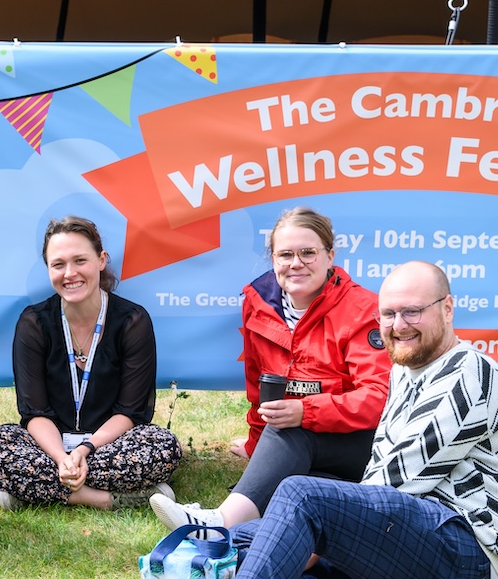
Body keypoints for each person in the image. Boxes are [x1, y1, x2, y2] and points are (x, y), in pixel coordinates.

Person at [114, 261, 498, 579]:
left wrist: (316, 540)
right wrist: (305, 542)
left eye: (412, 312)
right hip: (413, 547)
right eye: (388, 314)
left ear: (447, 309)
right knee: (244, 540)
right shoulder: (408, 372)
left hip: (465, 562)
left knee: (298, 503)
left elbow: (394, 483)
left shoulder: (469, 370)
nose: (398, 325)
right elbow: (382, 488)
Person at [150, 207, 390, 532]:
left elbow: (378, 399)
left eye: (308, 253)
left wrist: (305, 411)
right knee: (294, 490)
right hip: (297, 441)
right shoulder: (258, 302)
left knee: (292, 429)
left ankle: (219, 521)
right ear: (273, 260)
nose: (296, 263)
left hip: (359, 442)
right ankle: (241, 531)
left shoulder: (362, 308)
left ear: (330, 255)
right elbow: (259, 390)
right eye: (285, 254)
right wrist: (257, 449)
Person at [0, 216, 182, 510]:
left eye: (80, 260)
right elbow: (34, 412)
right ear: (48, 269)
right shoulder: (34, 322)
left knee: (163, 447)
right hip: (47, 447)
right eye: (58, 264)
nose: (70, 273)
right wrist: (61, 458)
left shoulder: (132, 320)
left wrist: (84, 451)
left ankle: (30, 490)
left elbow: (131, 411)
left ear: (101, 260)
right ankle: (107, 499)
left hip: (109, 445)